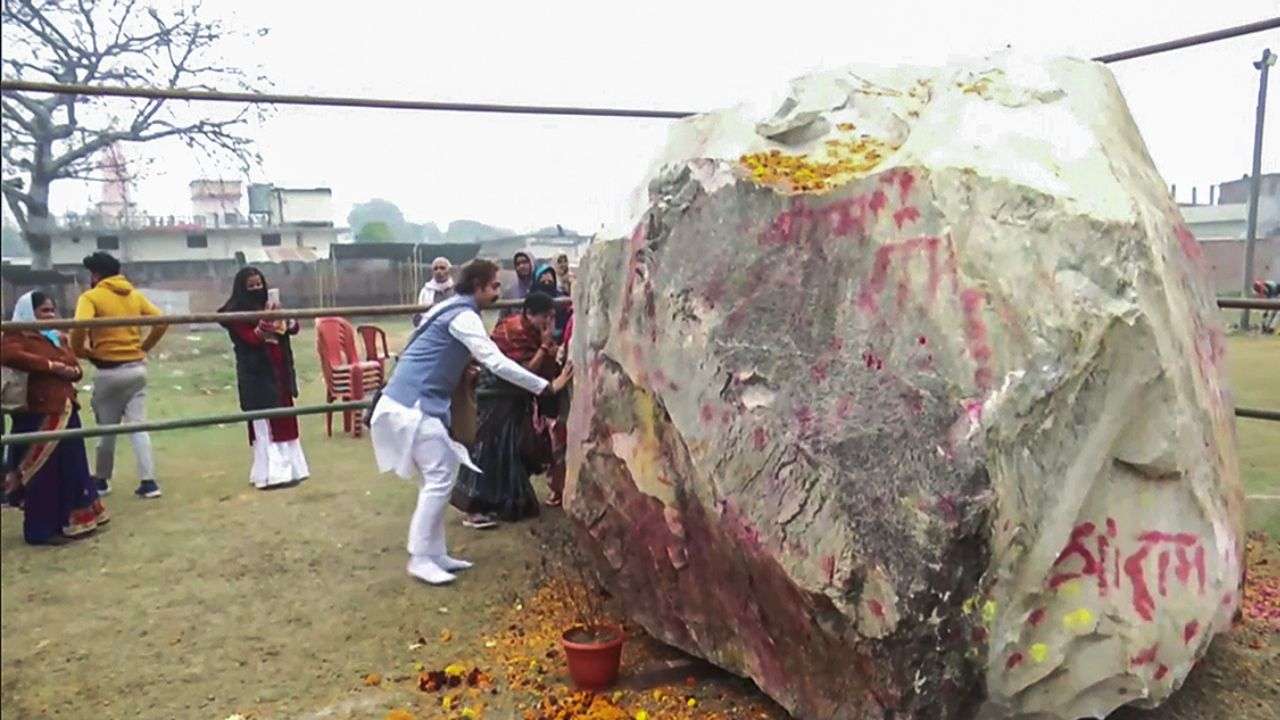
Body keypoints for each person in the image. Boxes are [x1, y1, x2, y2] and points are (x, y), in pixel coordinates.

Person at [370, 259, 573, 586]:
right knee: (439, 476)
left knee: (439, 476)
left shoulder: (450, 308)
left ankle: (434, 554)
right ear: (477, 286)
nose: (498, 292)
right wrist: (546, 386)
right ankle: (421, 558)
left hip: (412, 403)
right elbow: (496, 361)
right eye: (494, 286)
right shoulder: (463, 315)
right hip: (413, 406)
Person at [2, 291, 109, 544]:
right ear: (30, 313)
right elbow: (9, 356)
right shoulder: (15, 335)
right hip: (37, 413)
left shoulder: (54, 338)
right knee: (41, 474)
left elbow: (75, 369)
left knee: (69, 469)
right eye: (44, 311)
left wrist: (64, 364)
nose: (50, 316)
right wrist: (51, 366)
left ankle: (70, 521)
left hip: (64, 409)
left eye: (52, 311)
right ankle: (40, 531)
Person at [452, 291, 561, 526]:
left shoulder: (536, 333)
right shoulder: (513, 331)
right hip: (496, 392)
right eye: (545, 316)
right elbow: (521, 374)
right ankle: (474, 506)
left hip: (514, 398)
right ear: (529, 314)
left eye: (552, 317)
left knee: (507, 447)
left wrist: (547, 351)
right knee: (486, 446)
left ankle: (503, 501)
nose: (549, 323)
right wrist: (543, 349)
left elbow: (541, 371)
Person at [70, 252, 167, 499]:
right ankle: (149, 482)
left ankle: (102, 480)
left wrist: (81, 351)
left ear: (95, 274)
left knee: (107, 429)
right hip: (136, 369)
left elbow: (80, 325)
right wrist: (143, 348)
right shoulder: (134, 295)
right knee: (139, 427)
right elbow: (162, 321)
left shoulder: (90, 297)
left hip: (108, 370)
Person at [218, 267, 310, 489]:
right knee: (266, 421)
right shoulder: (236, 313)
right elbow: (251, 338)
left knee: (285, 419)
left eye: (259, 284)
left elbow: (292, 329)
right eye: (251, 286)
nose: (256, 289)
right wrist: (264, 324)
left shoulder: (270, 305)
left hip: (280, 370)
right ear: (242, 288)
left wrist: (284, 320)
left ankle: (293, 470)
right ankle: (272, 474)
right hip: (257, 374)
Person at [533, 262, 571, 340]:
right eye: (543, 282)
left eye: (549, 282)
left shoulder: (562, 297)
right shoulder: (531, 298)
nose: (546, 284)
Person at [414, 257, 455, 327]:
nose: (438, 271)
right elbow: (419, 317)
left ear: (449, 271)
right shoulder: (425, 291)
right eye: (435, 269)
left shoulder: (456, 290)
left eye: (442, 268)